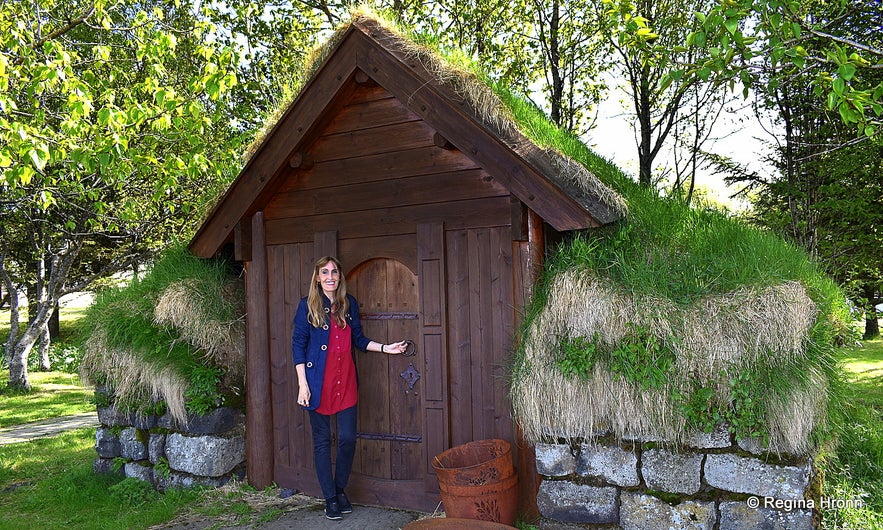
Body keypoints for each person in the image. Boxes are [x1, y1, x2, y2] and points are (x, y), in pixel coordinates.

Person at [291, 256, 408, 520]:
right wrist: (302, 385)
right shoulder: (307, 306)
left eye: (334, 272)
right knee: (322, 442)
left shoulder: (348, 304)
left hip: (346, 382)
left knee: (346, 438)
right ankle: (330, 498)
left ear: (340, 277)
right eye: (325, 272)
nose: (330, 276)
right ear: (318, 277)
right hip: (317, 383)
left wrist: (385, 348)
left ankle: (340, 488)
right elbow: (298, 345)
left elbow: (358, 339)